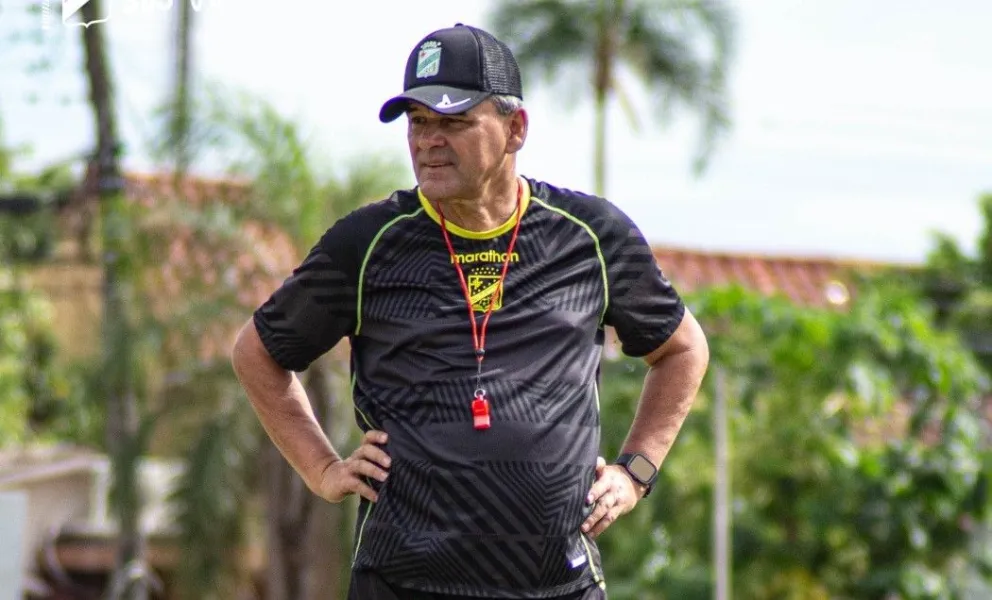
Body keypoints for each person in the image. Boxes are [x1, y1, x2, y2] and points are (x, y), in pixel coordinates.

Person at [231, 22, 709, 600]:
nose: (429, 140)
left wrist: (635, 473)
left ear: (515, 129)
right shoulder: (367, 243)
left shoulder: (590, 236)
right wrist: (322, 469)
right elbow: (258, 353)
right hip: (403, 584)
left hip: (558, 586)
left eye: (454, 121)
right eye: (418, 123)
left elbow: (682, 349)